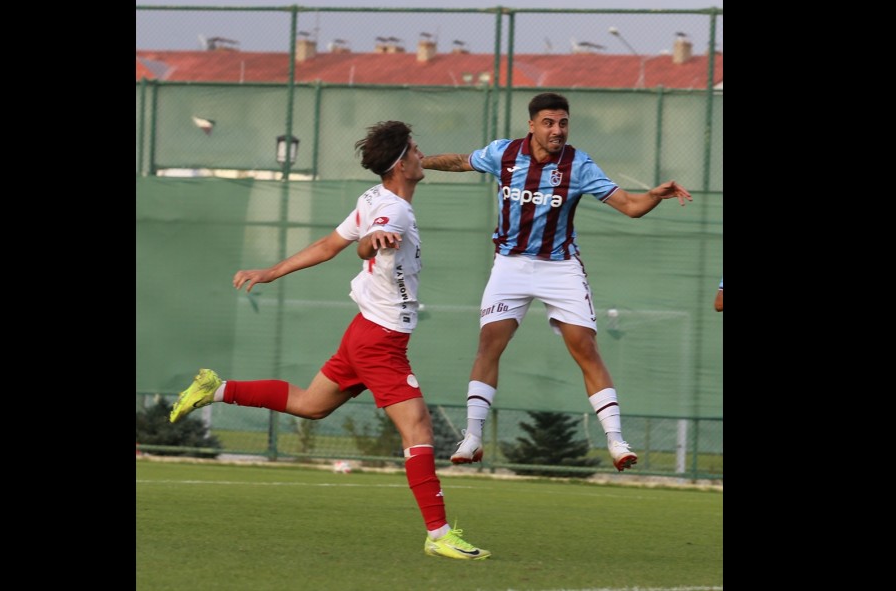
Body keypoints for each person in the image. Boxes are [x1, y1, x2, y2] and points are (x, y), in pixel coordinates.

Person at [168, 120, 491, 561]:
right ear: (401, 164)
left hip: (365, 332)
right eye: (414, 150)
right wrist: (372, 242)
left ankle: (216, 389)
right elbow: (362, 245)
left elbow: (326, 246)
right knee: (418, 429)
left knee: (310, 405)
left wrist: (269, 271)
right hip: (379, 340)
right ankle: (438, 535)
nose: (421, 156)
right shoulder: (391, 208)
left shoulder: (375, 197)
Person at [421, 92, 693, 472]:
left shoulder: (578, 165)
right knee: (489, 344)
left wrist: (653, 196)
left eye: (563, 123)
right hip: (510, 265)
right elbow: (460, 161)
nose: (557, 130)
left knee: (585, 348)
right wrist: (420, 161)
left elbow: (631, 207)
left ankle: (616, 441)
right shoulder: (504, 154)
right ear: (531, 124)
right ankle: (472, 437)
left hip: (559, 266)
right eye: (549, 123)